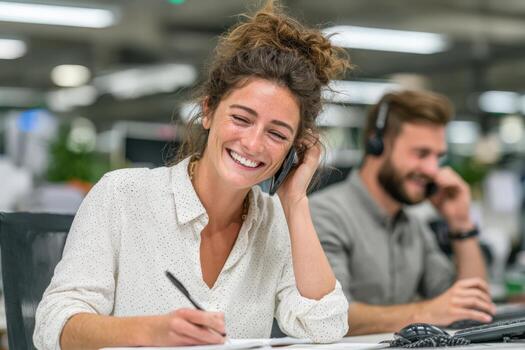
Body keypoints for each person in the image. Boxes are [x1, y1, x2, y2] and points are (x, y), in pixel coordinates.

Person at [33, 1, 352, 349]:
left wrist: (295, 202)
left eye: (277, 134)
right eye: (241, 119)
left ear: (294, 148)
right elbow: (54, 327)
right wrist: (149, 334)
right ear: (208, 111)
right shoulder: (122, 195)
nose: (253, 143)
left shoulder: (276, 222)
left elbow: (326, 328)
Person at [309, 90, 496, 335]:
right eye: (421, 154)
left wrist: (460, 223)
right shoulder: (323, 213)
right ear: (377, 144)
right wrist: (428, 312)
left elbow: (472, 306)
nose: (432, 169)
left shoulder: (414, 225)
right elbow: (328, 316)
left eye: (438, 156)